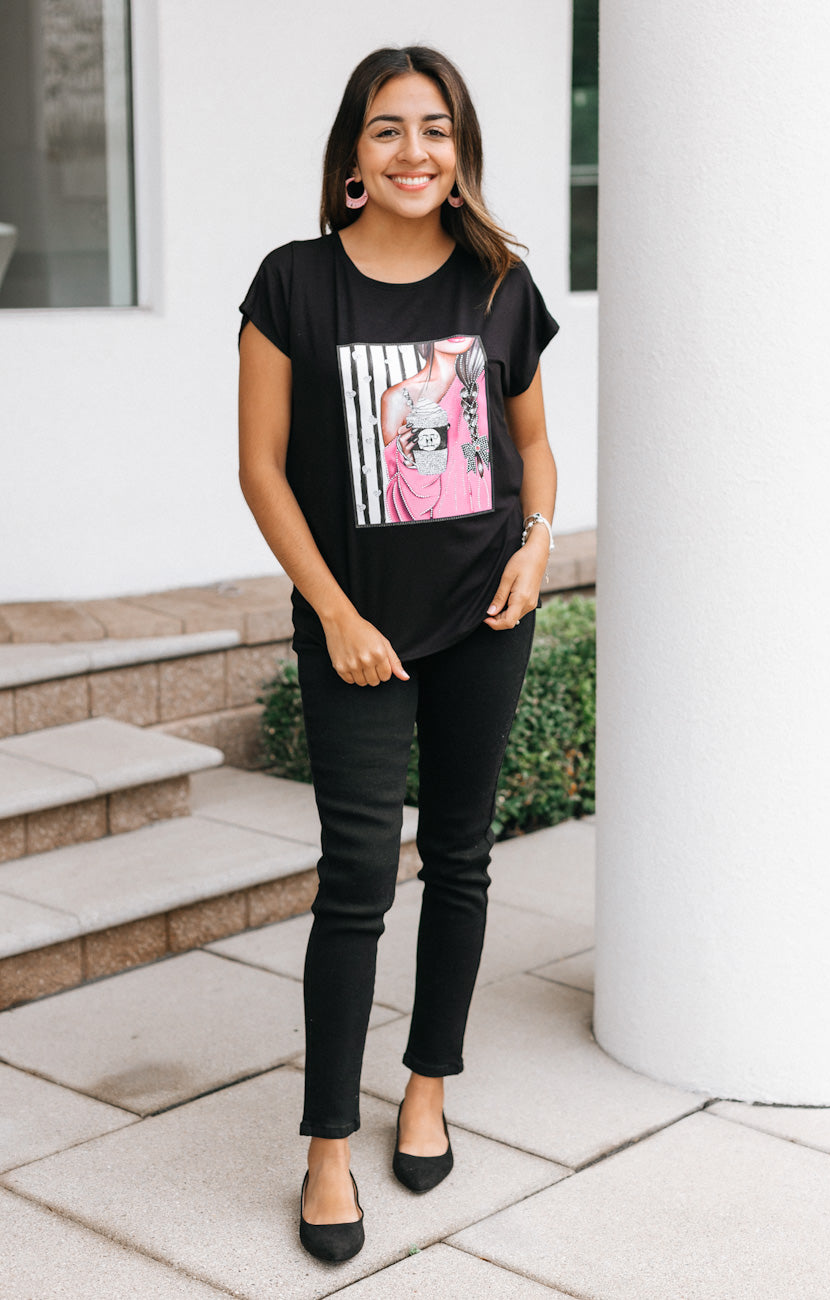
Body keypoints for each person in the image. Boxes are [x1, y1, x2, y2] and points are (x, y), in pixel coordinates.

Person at [238, 45, 558, 1263]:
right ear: (352, 154)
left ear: (459, 151)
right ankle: (327, 1144)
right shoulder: (292, 284)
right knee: (355, 882)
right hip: (354, 630)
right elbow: (261, 468)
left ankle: (426, 1083)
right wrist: (330, 609)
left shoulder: (496, 287)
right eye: (387, 130)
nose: (413, 150)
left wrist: (535, 547)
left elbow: (534, 447)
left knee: (463, 859)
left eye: (435, 129)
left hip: (484, 616)